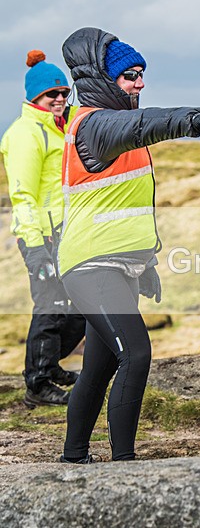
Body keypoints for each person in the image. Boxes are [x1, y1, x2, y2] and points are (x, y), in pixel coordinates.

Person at [57, 27, 200, 463]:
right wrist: (192, 120)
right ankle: (124, 466)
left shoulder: (115, 132)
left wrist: (146, 263)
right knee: (136, 355)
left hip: (116, 266)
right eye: (130, 76)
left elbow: (125, 202)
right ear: (103, 80)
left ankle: (74, 456)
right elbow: (143, 123)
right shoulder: (95, 125)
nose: (140, 83)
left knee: (99, 368)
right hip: (90, 267)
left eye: (142, 74)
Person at [1, 50, 87, 408]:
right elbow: (22, 195)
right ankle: (37, 383)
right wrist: (35, 247)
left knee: (79, 305)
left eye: (64, 93)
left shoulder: (60, 127)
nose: (60, 100)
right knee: (50, 305)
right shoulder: (25, 133)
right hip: (41, 235)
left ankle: (50, 366)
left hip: (67, 231)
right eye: (52, 94)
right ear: (34, 96)